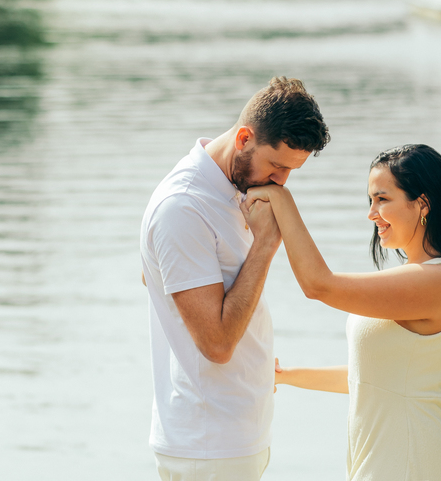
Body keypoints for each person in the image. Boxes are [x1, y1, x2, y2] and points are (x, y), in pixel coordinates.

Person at [245, 144, 441, 481]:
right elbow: (369, 377)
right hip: (385, 458)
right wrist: (287, 375)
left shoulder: (440, 281)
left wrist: (281, 200)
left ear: (422, 204)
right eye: (370, 200)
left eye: (382, 199)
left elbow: (318, 285)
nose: (371, 213)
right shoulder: (416, 280)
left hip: (413, 461)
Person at [140, 77, 330, 481]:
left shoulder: (234, 188)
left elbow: (156, 276)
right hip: (208, 445)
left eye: (292, 171)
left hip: (236, 437)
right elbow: (217, 343)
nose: (281, 182)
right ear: (244, 138)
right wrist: (265, 246)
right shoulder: (184, 207)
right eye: (277, 166)